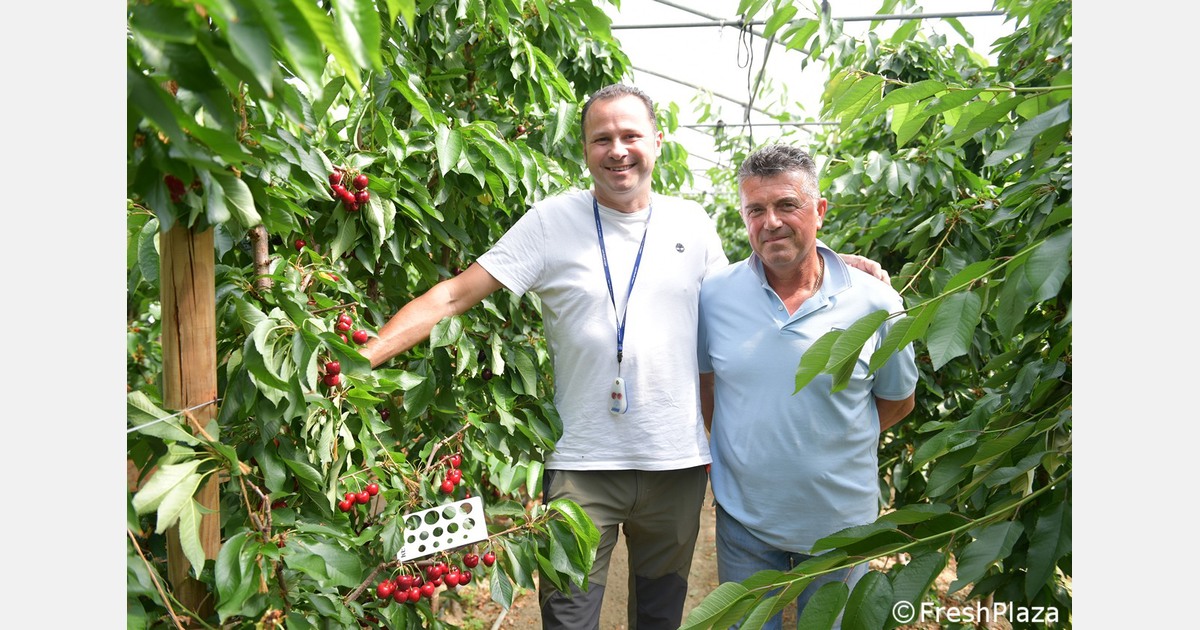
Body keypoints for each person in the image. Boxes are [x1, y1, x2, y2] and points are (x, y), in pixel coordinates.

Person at [360, 85, 885, 629]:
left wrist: (830, 261)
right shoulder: (550, 222)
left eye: (630, 135)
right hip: (583, 465)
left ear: (657, 142)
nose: (618, 150)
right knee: (568, 615)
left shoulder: (692, 223)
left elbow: (751, 288)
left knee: (659, 614)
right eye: (601, 138)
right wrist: (360, 359)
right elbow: (452, 295)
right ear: (584, 150)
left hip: (675, 466)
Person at [698, 144, 918, 629]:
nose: (770, 222)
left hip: (842, 525)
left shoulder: (877, 303)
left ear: (819, 211)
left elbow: (899, 401)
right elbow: (707, 385)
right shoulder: (714, 297)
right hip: (745, 521)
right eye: (756, 209)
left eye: (786, 206)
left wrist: (832, 440)